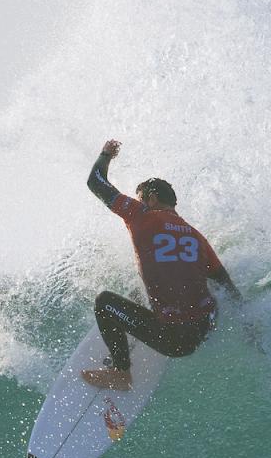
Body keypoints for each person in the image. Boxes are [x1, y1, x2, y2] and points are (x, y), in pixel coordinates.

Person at [77, 138, 240, 391]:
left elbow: (95, 182)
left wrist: (106, 154)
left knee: (105, 302)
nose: (138, 202)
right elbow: (227, 286)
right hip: (205, 329)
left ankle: (121, 374)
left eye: (140, 198)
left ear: (151, 199)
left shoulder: (141, 214)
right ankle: (145, 325)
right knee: (139, 291)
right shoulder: (196, 236)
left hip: (175, 340)